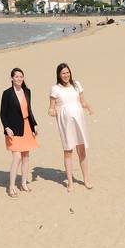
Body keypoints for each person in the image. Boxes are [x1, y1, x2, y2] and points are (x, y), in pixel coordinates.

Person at [48, 63, 92, 191]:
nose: (66, 75)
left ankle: (86, 180)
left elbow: (82, 102)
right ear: (59, 75)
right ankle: (70, 183)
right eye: (63, 73)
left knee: (82, 149)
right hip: (65, 123)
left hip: (79, 120)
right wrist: (51, 111)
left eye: (67, 72)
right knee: (68, 151)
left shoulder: (76, 85)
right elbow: (51, 107)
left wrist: (88, 106)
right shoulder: (55, 89)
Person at [0, 67, 39, 196]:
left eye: (21, 76)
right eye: (16, 76)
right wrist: (6, 127)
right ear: (12, 78)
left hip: (26, 126)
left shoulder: (27, 91)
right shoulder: (7, 93)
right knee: (16, 157)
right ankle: (11, 186)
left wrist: (34, 125)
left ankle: (23, 184)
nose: (19, 79)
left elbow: (30, 110)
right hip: (13, 129)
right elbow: (2, 113)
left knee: (26, 157)